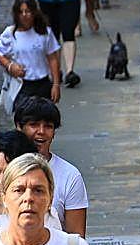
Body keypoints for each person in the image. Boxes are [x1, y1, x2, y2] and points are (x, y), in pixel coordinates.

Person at [14, 96, 90, 235]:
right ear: (19, 127)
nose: (41, 131)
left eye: (48, 126)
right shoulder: (3, 168)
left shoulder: (70, 176)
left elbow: (76, 237)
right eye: (34, 125)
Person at [0, 0, 63, 108]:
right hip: (22, 85)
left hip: (42, 83)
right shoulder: (10, 33)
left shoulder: (44, 32)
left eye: (27, 11)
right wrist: (10, 66)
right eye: (21, 12)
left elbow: (52, 58)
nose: (24, 15)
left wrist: (56, 84)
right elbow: (0, 53)